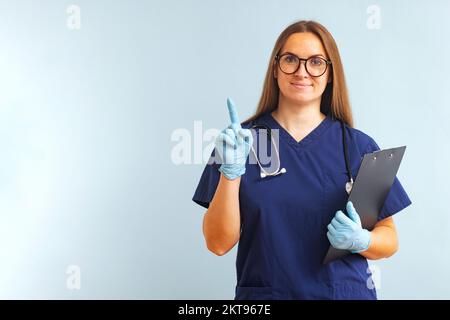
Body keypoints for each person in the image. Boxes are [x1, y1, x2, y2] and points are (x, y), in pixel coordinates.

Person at [192, 20, 412, 300]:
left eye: (316, 62)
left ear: (330, 73)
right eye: (290, 59)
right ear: (275, 68)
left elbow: (389, 239)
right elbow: (218, 243)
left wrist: (363, 240)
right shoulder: (241, 142)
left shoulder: (357, 146)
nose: (302, 71)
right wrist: (231, 172)